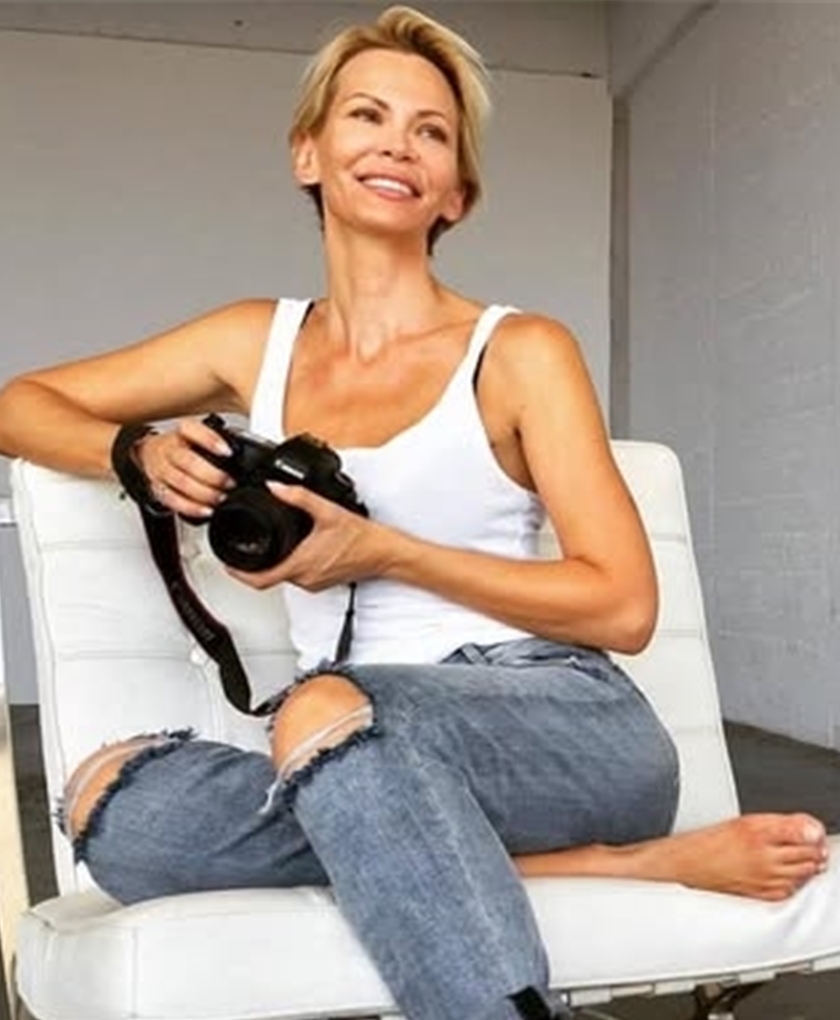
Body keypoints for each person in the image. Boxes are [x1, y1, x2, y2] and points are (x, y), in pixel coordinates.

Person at [0, 7, 829, 1020]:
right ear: (308, 153)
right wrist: (135, 452)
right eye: (366, 115)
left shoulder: (520, 351)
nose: (397, 144)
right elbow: (18, 406)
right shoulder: (253, 341)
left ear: (456, 190)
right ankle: (624, 864)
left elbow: (622, 607)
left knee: (326, 715)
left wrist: (385, 551)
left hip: (560, 719)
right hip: (344, 745)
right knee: (111, 801)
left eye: (430, 131)